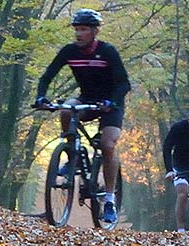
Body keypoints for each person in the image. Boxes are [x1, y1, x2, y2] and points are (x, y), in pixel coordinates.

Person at [35, 9, 130, 224]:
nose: (79, 33)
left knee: (107, 145)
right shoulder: (69, 51)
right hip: (86, 99)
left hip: (110, 104)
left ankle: (108, 200)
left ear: (95, 31)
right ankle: (71, 154)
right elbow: (47, 76)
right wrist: (41, 97)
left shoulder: (107, 52)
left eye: (84, 29)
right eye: (77, 29)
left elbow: (124, 83)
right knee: (66, 109)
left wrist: (111, 102)